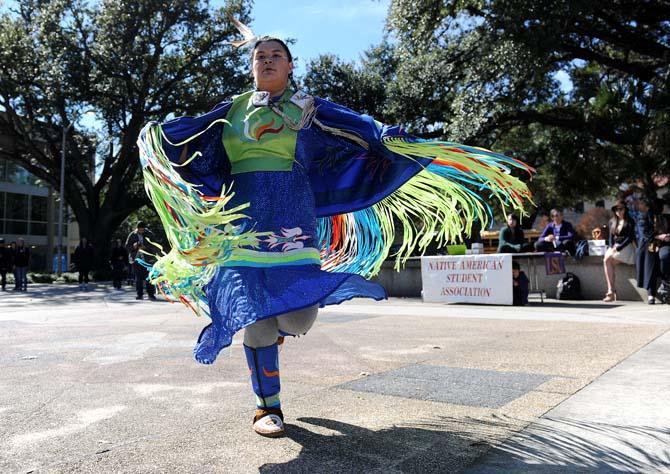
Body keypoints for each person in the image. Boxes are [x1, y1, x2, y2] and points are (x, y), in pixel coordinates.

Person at [137, 24, 533, 438]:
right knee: (254, 314)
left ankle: (280, 333)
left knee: (300, 316)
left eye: (275, 54)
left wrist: (385, 134)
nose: (267, 59)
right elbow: (186, 137)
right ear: (252, 66)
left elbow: (359, 125)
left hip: (293, 218)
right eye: (260, 55)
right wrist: (154, 138)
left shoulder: (309, 107)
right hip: (242, 224)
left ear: (290, 66)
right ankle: (266, 406)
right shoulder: (232, 110)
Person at [602, 200, 636, 302]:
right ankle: (611, 291)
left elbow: (630, 238)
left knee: (607, 261)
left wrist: (618, 248)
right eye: (616, 209)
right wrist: (612, 246)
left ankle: (611, 292)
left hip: (626, 247)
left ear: (625, 210)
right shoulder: (612, 221)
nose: (619, 211)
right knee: (607, 261)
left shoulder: (630, 221)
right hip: (614, 247)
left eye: (621, 209)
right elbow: (611, 237)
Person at [125, 221, 157, 301]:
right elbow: (127, 247)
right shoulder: (132, 235)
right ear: (137, 228)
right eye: (139, 229)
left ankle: (151, 294)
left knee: (149, 277)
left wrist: (145, 247)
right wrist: (134, 246)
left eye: (142, 229)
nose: (141, 231)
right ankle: (139, 294)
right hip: (136, 259)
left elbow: (155, 245)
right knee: (138, 278)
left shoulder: (149, 234)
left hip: (148, 259)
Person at [635, 197, 658, 304]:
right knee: (649, 269)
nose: (639, 205)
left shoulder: (646, 215)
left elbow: (646, 233)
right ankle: (650, 294)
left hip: (649, 245)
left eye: (641, 203)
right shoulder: (643, 216)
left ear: (646, 205)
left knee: (650, 269)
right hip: (649, 245)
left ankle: (651, 294)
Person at [650, 201, 670, 303]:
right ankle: (664, 284)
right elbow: (646, 234)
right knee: (663, 256)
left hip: (666, 244)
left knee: (665, 255)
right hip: (654, 245)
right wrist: (660, 237)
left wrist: (667, 236)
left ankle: (665, 283)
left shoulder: (667, 217)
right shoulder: (648, 219)